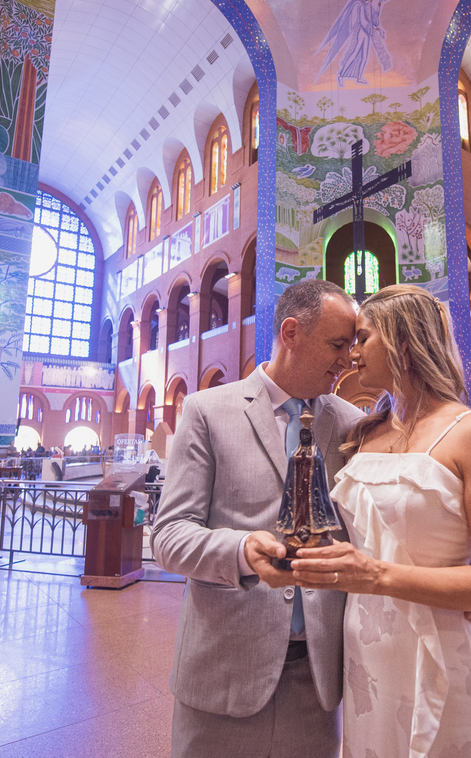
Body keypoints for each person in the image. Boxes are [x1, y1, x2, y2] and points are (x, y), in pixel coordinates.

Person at [289, 285, 471, 757]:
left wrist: (377, 575)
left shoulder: (470, 433)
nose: (352, 354)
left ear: (404, 340)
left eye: (364, 338)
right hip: (366, 653)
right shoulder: (360, 434)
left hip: (440, 645)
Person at [151, 279, 365, 758]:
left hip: (316, 680)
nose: (347, 360)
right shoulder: (208, 411)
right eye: (336, 344)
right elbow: (169, 534)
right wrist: (241, 551)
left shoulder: (352, 424)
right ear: (291, 333)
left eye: (352, 346)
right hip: (225, 669)